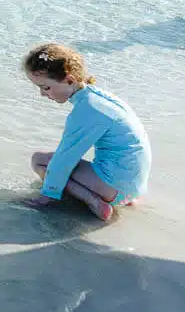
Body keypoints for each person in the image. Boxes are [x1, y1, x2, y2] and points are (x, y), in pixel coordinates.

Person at [22, 42, 151, 222]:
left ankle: (93, 201)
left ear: (69, 80)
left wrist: (46, 196)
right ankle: (124, 198)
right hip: (135, 186)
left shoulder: (86, 110)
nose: (43, 94)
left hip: (115, 188)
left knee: (40, 161)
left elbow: (64, 159)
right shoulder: (101, 98)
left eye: (46, 87)